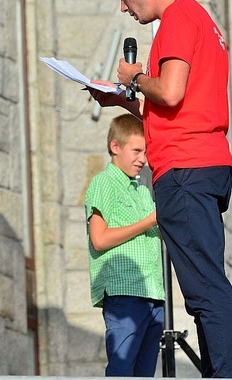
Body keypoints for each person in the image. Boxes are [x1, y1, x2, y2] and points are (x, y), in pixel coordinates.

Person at [89, 0, 232, 378]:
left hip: (186, 170)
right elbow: (178, 109)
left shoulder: (177, 18)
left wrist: (133, 78)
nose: (124, 6)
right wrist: (122, 103)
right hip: (204, 161)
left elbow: (172, 91)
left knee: (205, 290)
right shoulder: (200, 18)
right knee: (205, 285)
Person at [85, 114, 164, 377]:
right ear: (115, 147)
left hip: (152, 293)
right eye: (136, 150)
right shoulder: (104, 183)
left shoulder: (143, 190)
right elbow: (100, 238)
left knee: (144, 374)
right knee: (122, 370)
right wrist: (149, 221)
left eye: (146, 151)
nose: (142, 158)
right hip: (124, 293)